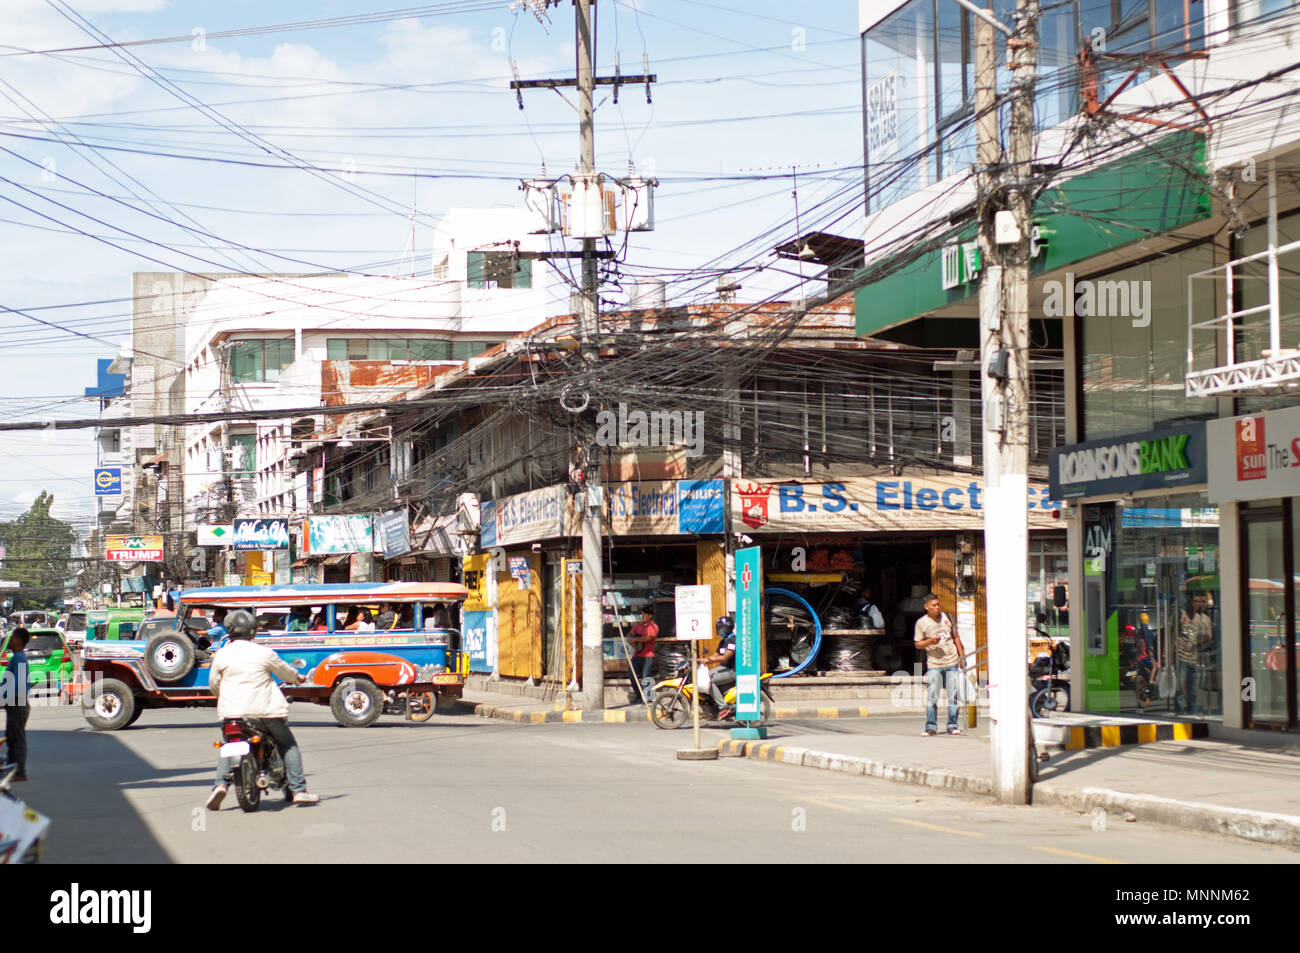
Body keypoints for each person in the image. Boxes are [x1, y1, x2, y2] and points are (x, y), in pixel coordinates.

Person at [204, 610, 318, 809]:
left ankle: (220, 786)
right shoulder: (262, 652)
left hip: (232, 713)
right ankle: (299, 790)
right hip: (264, 712)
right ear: (253, 632)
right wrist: (297, 678)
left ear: (229, 631)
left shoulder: (222, 654)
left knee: (229, 745)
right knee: (288, 744)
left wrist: (224, 694)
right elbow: (285, 671)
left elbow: (214, 685)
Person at [914, 593, 966, 736]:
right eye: (933, 605)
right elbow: (918, 644)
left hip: (952, 661)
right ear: (926, 607)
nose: (937, 608)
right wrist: (930, 641)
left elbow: (955, 637)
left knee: (954, 695)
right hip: (934, 664)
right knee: (932, 696)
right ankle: (931, 726)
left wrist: (962, 655)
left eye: (938, 605)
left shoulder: (947, 618)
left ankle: (952, 725)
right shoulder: (921, 623)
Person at [1176, 592, 1213, 716]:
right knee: (1180, 689)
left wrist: (1198, 644)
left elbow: (1209, 638)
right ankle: (1180, 713)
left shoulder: (1204, 619)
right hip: (1181, 656)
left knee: (1193, 690)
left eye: (1202, 602)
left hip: (1194, 658)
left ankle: (1192, 713)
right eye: (1196, 601)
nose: (1198, 604)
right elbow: (1173, 633)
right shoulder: (1182, 615)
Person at [2, 628, 30, 781]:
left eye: (12, 638)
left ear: (18, 641)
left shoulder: (18, 658)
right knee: (12, 737)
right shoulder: (17, 657)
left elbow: (18, 683)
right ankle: (12, 770)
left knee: (17, 739)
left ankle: (19, 772)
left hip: (16, 703)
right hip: (15, 703)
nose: (10, 640)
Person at [701, 616, 738, 718]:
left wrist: (709, 660)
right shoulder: (723, 641)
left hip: (732, 670)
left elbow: (725, 657)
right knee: (705, 676)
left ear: (727, 628)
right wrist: (701, 660)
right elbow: (716, 655)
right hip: (723, 668)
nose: (720, 630)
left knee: (709, 681)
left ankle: (723, 707)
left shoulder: (732, 641)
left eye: (721, 628)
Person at [626, 608, 659, 704]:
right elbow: (630, 634)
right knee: (631, 674)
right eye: (642, 614)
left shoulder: (654, 627)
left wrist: (636, 640)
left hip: (648, 655)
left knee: (646, 677)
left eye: (644, 614)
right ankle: (639, 695)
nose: (643, 616)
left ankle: (647, 697)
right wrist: (630, 640)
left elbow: (649, 637)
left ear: (650, 615)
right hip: (637, 654)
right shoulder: (638, 626)